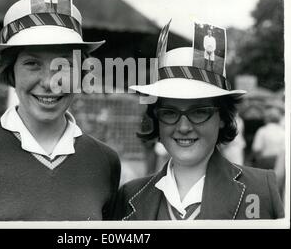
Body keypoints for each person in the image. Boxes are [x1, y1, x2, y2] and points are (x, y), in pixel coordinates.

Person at [0, 0, 121, 221]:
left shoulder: (104, 162)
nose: (50, 82)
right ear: (11, 70)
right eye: (32, 64)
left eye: (64, 65)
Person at [113, 22, 284, 220]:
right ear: (156, 117)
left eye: (199, 112)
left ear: (222, 117)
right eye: (170, 113)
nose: (183, 127)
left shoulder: (260, 189)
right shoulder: (130, 196)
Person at [252, 101, 285, 170]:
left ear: (266, 118)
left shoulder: (262, 131)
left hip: (265, 162)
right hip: (280, 162)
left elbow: (256, 149)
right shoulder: (283, 131)